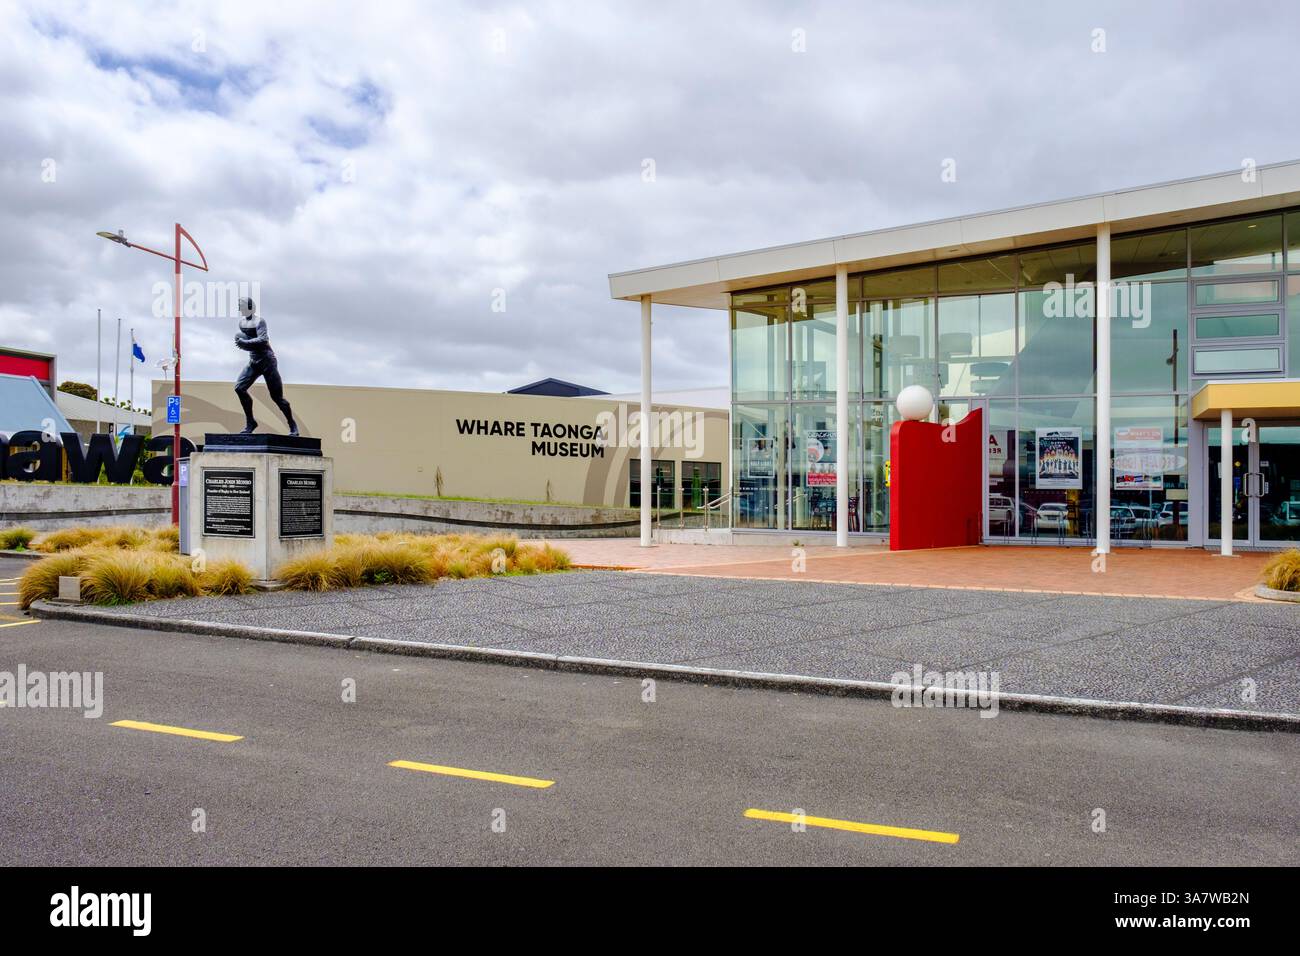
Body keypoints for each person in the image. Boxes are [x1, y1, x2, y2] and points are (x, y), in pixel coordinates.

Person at [233, 297, 298, 436]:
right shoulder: (242, 323)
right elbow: (249, 342)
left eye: (241, 306)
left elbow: (263, 340)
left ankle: (292, 424)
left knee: (277, 397)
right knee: (239, 388)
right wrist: (242, 343)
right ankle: (251, 422)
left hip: (268, 361)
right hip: (254, 362)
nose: (239, 309)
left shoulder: (259, 321)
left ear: (250, 306)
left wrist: (244, 343)